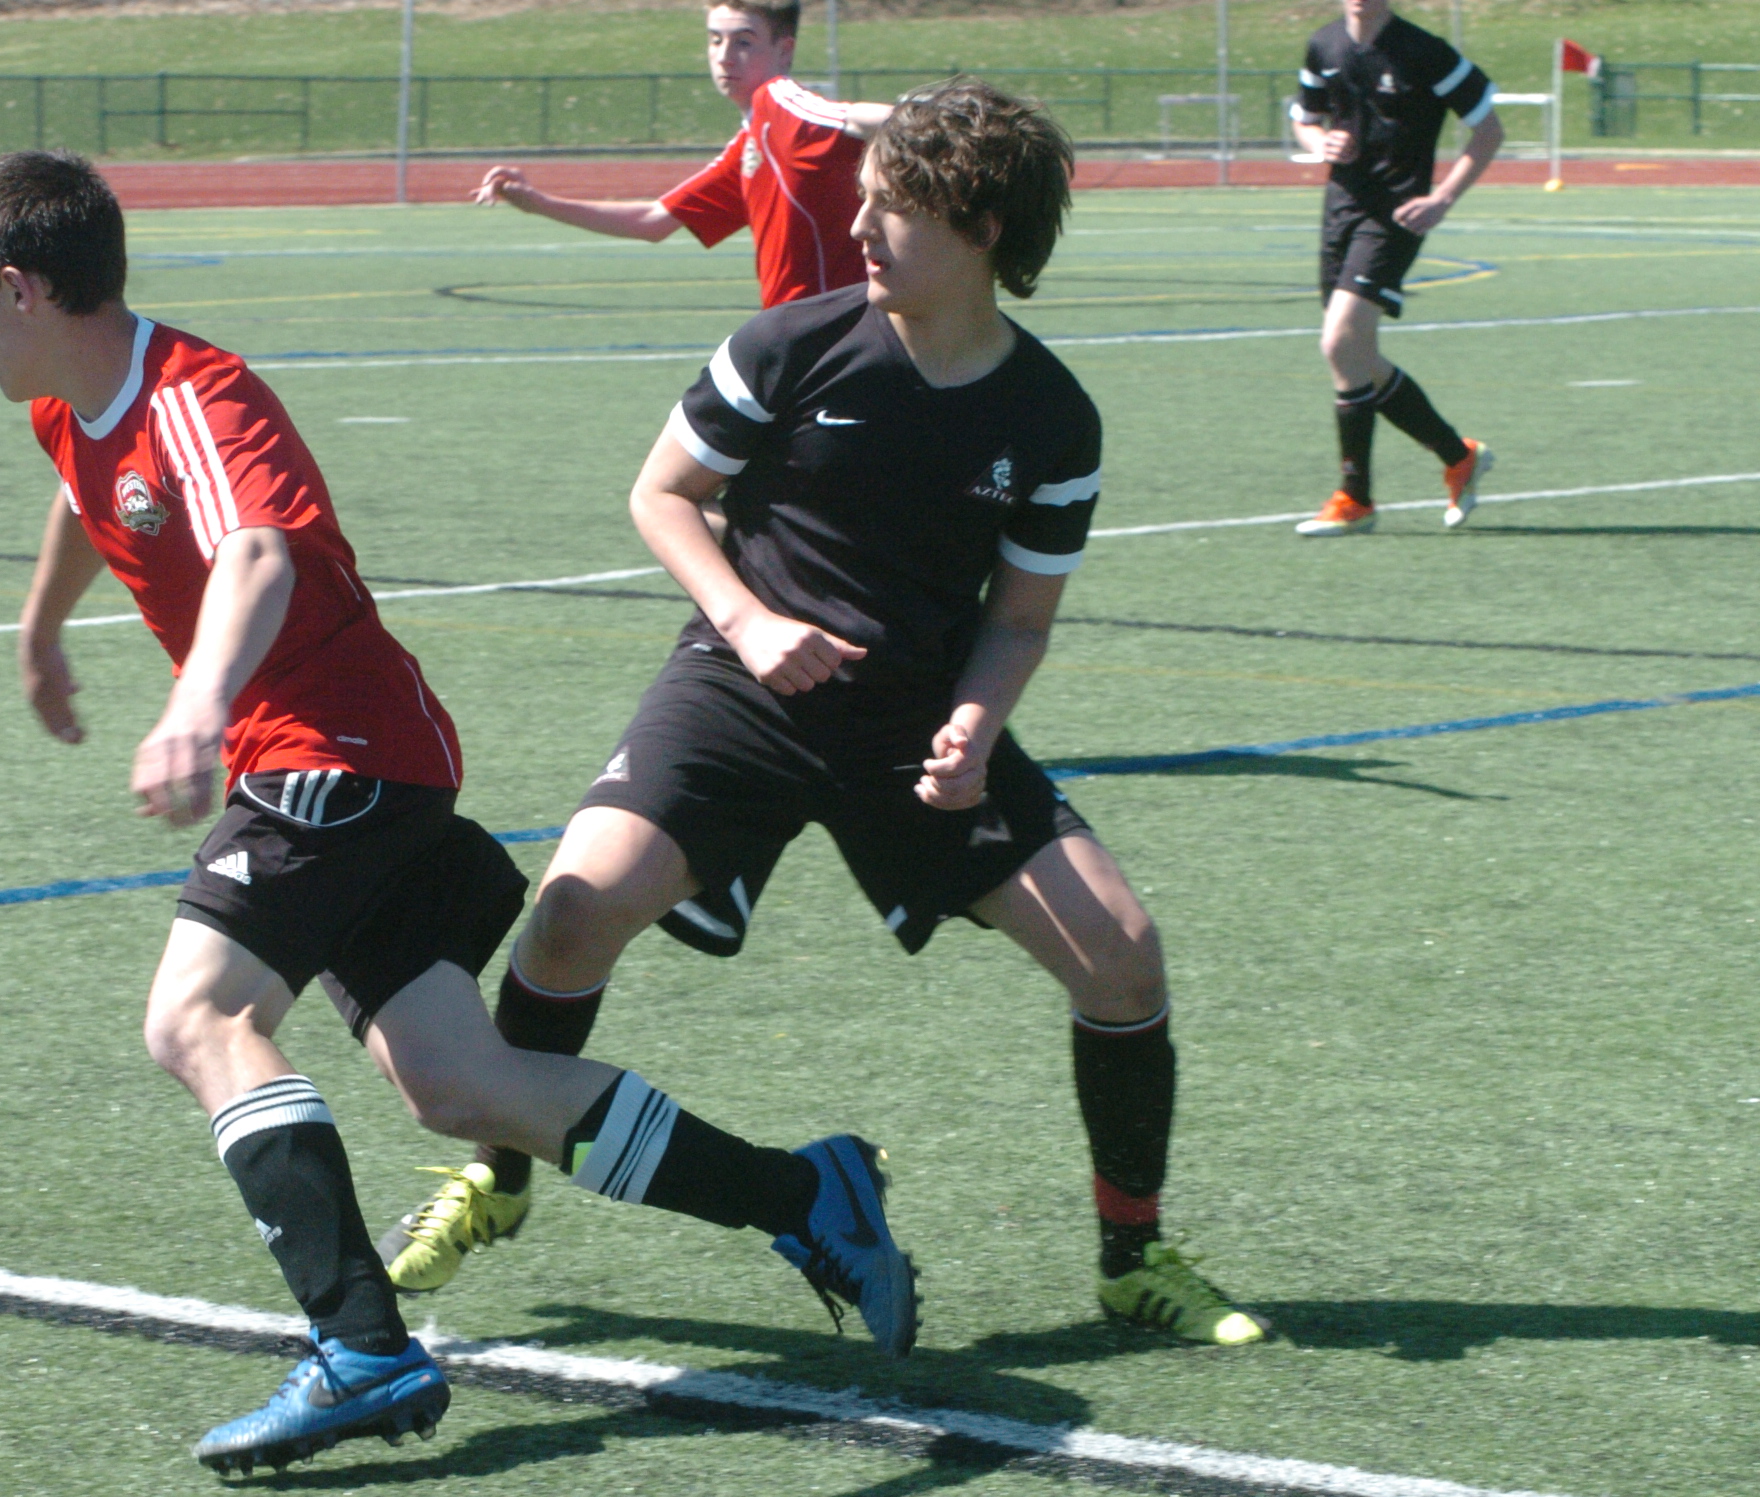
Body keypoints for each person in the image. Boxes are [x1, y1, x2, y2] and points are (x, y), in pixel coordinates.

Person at [0, 152, 920, 1474]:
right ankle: (806, 1193)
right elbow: (86, 492)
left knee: (197, 1020)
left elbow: (259, 552)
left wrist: (199, 702)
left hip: (331, 756)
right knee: (461, 1087)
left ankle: (362, 1349)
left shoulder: (196, 397)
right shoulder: (72, 400)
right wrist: (42, 628)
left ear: (22, 289)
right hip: (353, 762)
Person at [384, 81, 1271, 1350]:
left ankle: (1134, 1259)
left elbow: (1018, 619)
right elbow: (661, 495)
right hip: (739, 689)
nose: (857, 229)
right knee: (572, 913)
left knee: (1123, 954)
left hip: (910, 720)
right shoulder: (788, 345)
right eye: (863, 200)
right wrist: (747, 621)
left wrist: (974, 727)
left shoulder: (1051, 417)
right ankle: (501, 1173)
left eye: (892, 209)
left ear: (981, 231)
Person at [472, 1, 889, 309]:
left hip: (828, 332)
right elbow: (653, 221)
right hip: (794, 333)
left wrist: (922, 117)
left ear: (784, 51)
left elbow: (853, 118)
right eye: (715, 40)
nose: (724, 55)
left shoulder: (778, 100)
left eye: (743, 42)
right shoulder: (749, 143)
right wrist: (538, 203)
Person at [1288, 0, 1499, 537]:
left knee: (1339, 342)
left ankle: (1355, 498)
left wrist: (1443, 198)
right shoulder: (1324, 45)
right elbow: (1304, 120)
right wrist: (1321, 142)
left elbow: (1488, 130)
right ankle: (1459, 456)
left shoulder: (1424, 52)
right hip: (1341, 210)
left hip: (1398, 214)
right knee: (1356, 355)